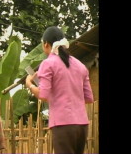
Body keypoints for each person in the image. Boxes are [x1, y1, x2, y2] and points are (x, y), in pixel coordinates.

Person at [25, 26, 94, 154]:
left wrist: (29, 84)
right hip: (82, 125)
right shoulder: (80, 66)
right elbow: (89, 98)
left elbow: (43, 95)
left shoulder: (48, 64)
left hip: (63, 125)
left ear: (46, 44)